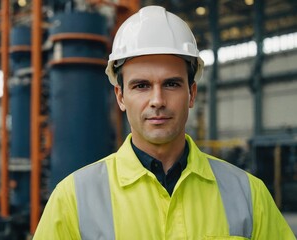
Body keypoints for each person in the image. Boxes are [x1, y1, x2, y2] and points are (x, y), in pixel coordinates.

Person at [33, 5, 295, 240]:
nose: (157, 100)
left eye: (171, 84)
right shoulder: (71, 200)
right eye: (142, 85)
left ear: (191, 94)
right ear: (121, 96)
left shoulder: (249, 195)